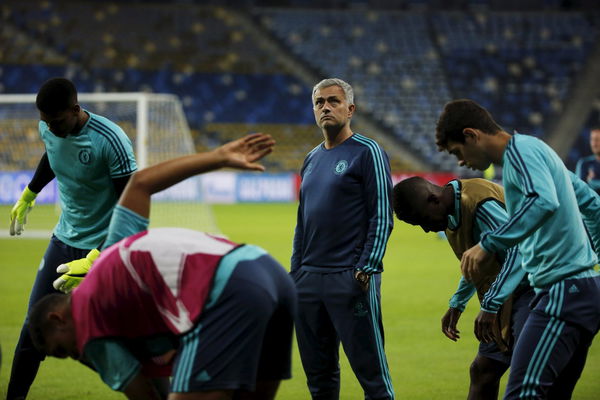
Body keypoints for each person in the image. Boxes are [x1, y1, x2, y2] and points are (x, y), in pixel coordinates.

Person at [28, 133, 296, 400]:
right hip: (272, 274)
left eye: (63, 350)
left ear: (58, 318)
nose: (76, 356)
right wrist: (217, 158)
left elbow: (144, 395)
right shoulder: (111, 254)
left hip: (230, 290)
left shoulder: (88, 322)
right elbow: (140, 184)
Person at [436, 99, 600, 399]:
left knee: (523, 393)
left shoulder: (520, 152)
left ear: (472, 135)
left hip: (562, 292)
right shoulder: (538, 152)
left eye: (457, 152)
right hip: (582, 289)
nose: (460, 162)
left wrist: (488, 243)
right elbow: (592, 204)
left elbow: (543, 202)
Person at [7, 77, 137, 399]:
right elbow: (53, 154)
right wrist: (29, 193)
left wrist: (97, 258)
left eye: (56, 121)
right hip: (63, 242)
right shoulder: (49, 128)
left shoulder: (111, 140)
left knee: (109, 339)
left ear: (75, 110)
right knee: (33, 330)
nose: (49, 129)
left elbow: (132, 210)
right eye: (44, 123)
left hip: (105, 250)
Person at [291, 78, 394, 400]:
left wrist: (366, 268)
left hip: (350, 278)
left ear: (350, 109)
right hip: (309, 279)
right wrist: (296, 274)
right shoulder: (311, 158)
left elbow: (382, 215)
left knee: (372, 377)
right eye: (319, 102)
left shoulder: (368, 152)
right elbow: (302, 223)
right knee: (319, 378)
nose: (325, 107)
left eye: (333, 101)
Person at [393, 176, 533, 400]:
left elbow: (518, 252)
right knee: (483, 371)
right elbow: (477, 262)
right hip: (508, 293)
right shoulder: (451, 214)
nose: (426, 230)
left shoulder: (480, 204)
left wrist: (490, 305)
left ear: (433, 200)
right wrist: (457, 303)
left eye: (422, 220)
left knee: (527, 374)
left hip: (535, 289)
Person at [575, 127, 600, 195]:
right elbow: (579, 191)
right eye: (592, 140)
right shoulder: (584, 164)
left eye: (597, 140)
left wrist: (592, 182)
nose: (594, 144)